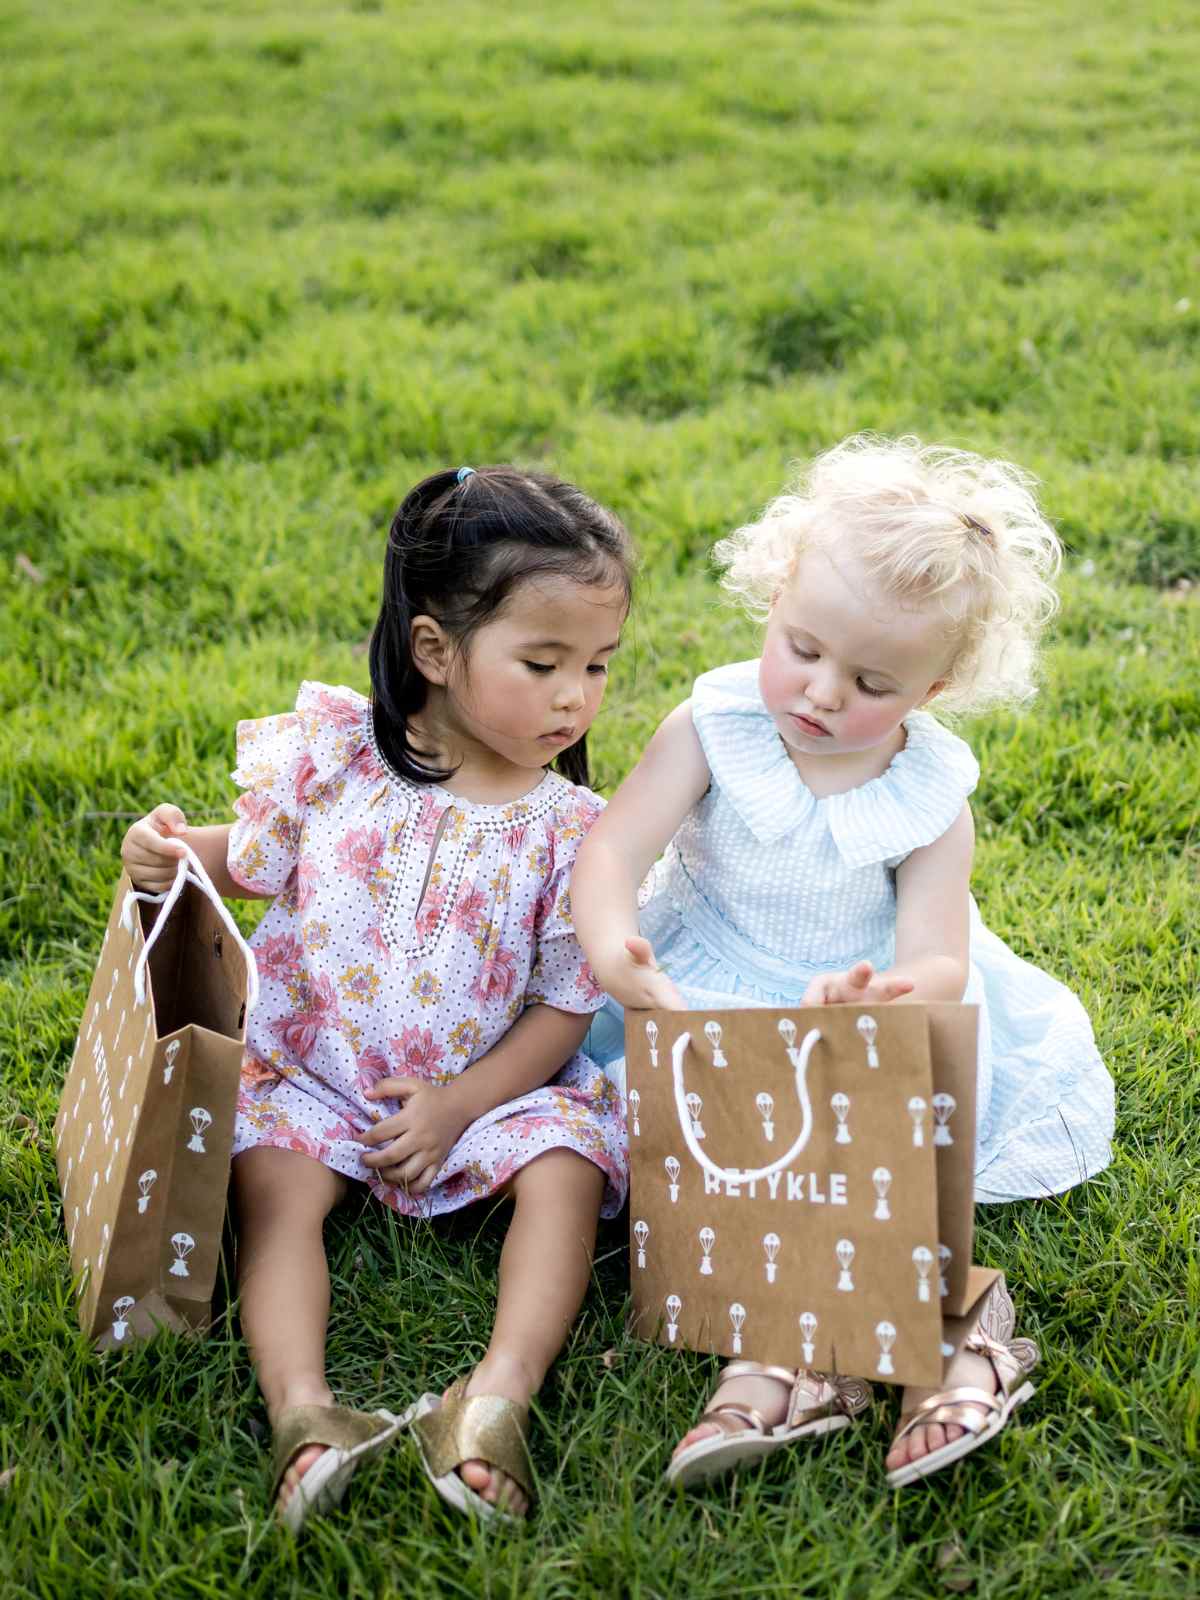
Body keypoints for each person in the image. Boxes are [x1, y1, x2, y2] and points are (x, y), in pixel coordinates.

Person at [572, 434, 1114, 1489]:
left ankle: (848, 1348)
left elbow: (940, 962)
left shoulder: (929, 799)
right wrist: (609, 942)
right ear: (776, 598)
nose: (821, 693)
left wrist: (888, 996)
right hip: (712, 976)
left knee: (858, 1125)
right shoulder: (716, 725)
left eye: (871, 681)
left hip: (855, 998)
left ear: (934, 684)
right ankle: (834, 1349)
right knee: (691, 1160)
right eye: (803, 647)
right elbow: (613, 847)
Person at [121, 465, 633, 1527]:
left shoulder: (567, 827)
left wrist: (462, 1103)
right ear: (434, 650)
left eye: (596, 665)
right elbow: (252, 860)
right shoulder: (342, 756)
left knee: (567, 1170)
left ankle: (497, 1398)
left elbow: (561, 1010)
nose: (576, 696)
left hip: (482, 1089)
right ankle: (303, 1414)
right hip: (317, 1069)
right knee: (272, 1192)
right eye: (542, 663)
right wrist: (175, 854)